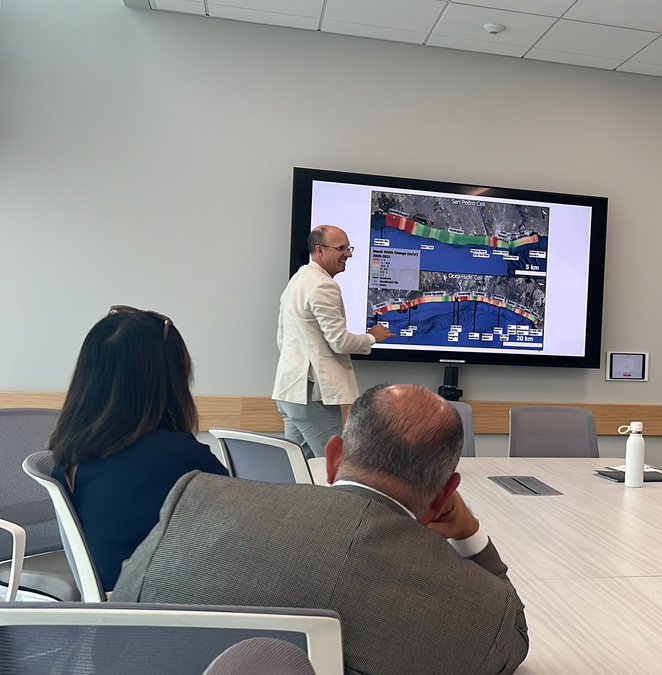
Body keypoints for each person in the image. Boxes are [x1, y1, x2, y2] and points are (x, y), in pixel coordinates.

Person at [112, 384, 529, 675]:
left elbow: (118, 615)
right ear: (445, 496)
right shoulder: (478, 611)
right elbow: (513, 642)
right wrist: (470, 534)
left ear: (332, 459)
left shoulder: (198, 499)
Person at [47, 306, 228, 592]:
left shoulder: (70, 453)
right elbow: (240, 532)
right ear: (169, 380)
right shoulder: (179, 458)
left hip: (114, 601)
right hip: (160, 608)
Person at [272, 225, 394, 458]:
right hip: (312, 396)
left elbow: (282, 338)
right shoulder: (323, 285)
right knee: (337, 467)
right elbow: (339, 342)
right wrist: (372, 337)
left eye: (349, 248)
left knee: (304, 471)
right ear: (319, 251)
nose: (348, 254)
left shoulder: (298, 280)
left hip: (290, 392)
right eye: (340, 248)